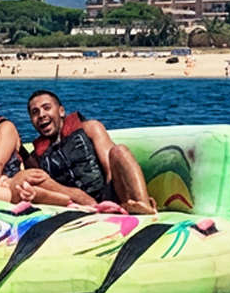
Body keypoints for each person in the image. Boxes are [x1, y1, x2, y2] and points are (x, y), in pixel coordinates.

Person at [11, 90, 157, 214]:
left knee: (120, 151)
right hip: (76, 203)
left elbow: (110, 170)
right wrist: (18, 147)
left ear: (61, 111)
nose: (41, 115)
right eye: (35, 112)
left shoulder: (90, 128)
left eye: (47, 108)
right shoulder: (36, 156)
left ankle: (143, 205)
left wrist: (108, 203)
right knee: (35, 178)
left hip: (109, 192)